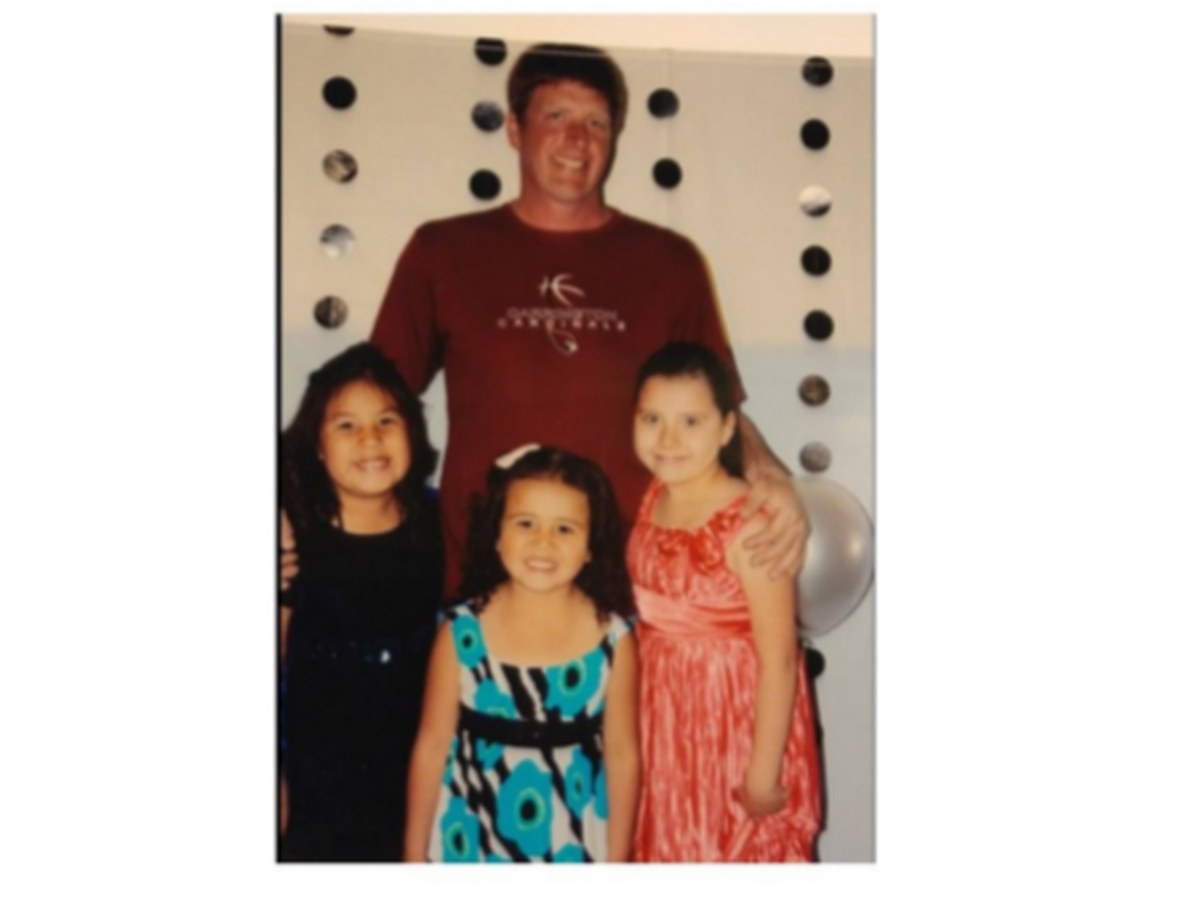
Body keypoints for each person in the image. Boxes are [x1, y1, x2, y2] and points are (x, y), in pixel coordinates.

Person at [360, 41, 808, 594]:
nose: (577, 139)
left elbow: (719, 412)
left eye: (596, 122)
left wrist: (772, 478)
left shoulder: (669, 262)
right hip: (487, 574)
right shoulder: (443, 251)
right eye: (556, 116)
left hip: (635, 579)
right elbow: (364, 403)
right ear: (515, 129)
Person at [626, 342, 822, 862]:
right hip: (664, 721)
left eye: (691, 422)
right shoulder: (653, 498)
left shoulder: (750, 525)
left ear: (727, 428)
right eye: (651, 418)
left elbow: (780, 659)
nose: (668, 439)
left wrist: (762, 776)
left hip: (733, 723)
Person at [404, 446, 639, 862]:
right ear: (497, 534)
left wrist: (618, 862)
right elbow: (432, 745)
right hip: (469, 833)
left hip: (573, 838)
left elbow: (622, 755)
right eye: (525, 523)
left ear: (591, 546)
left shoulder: (614, 640)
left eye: (564, 529)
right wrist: (412, 853)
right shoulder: (461, 631)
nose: (543, 542)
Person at [279, 343, 444, 861]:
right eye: (346, 425)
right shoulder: (290, 540)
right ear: (317, 444)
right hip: (315, 783)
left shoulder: (440, 527)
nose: (370, 438)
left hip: (416, 779)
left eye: (386, 421)